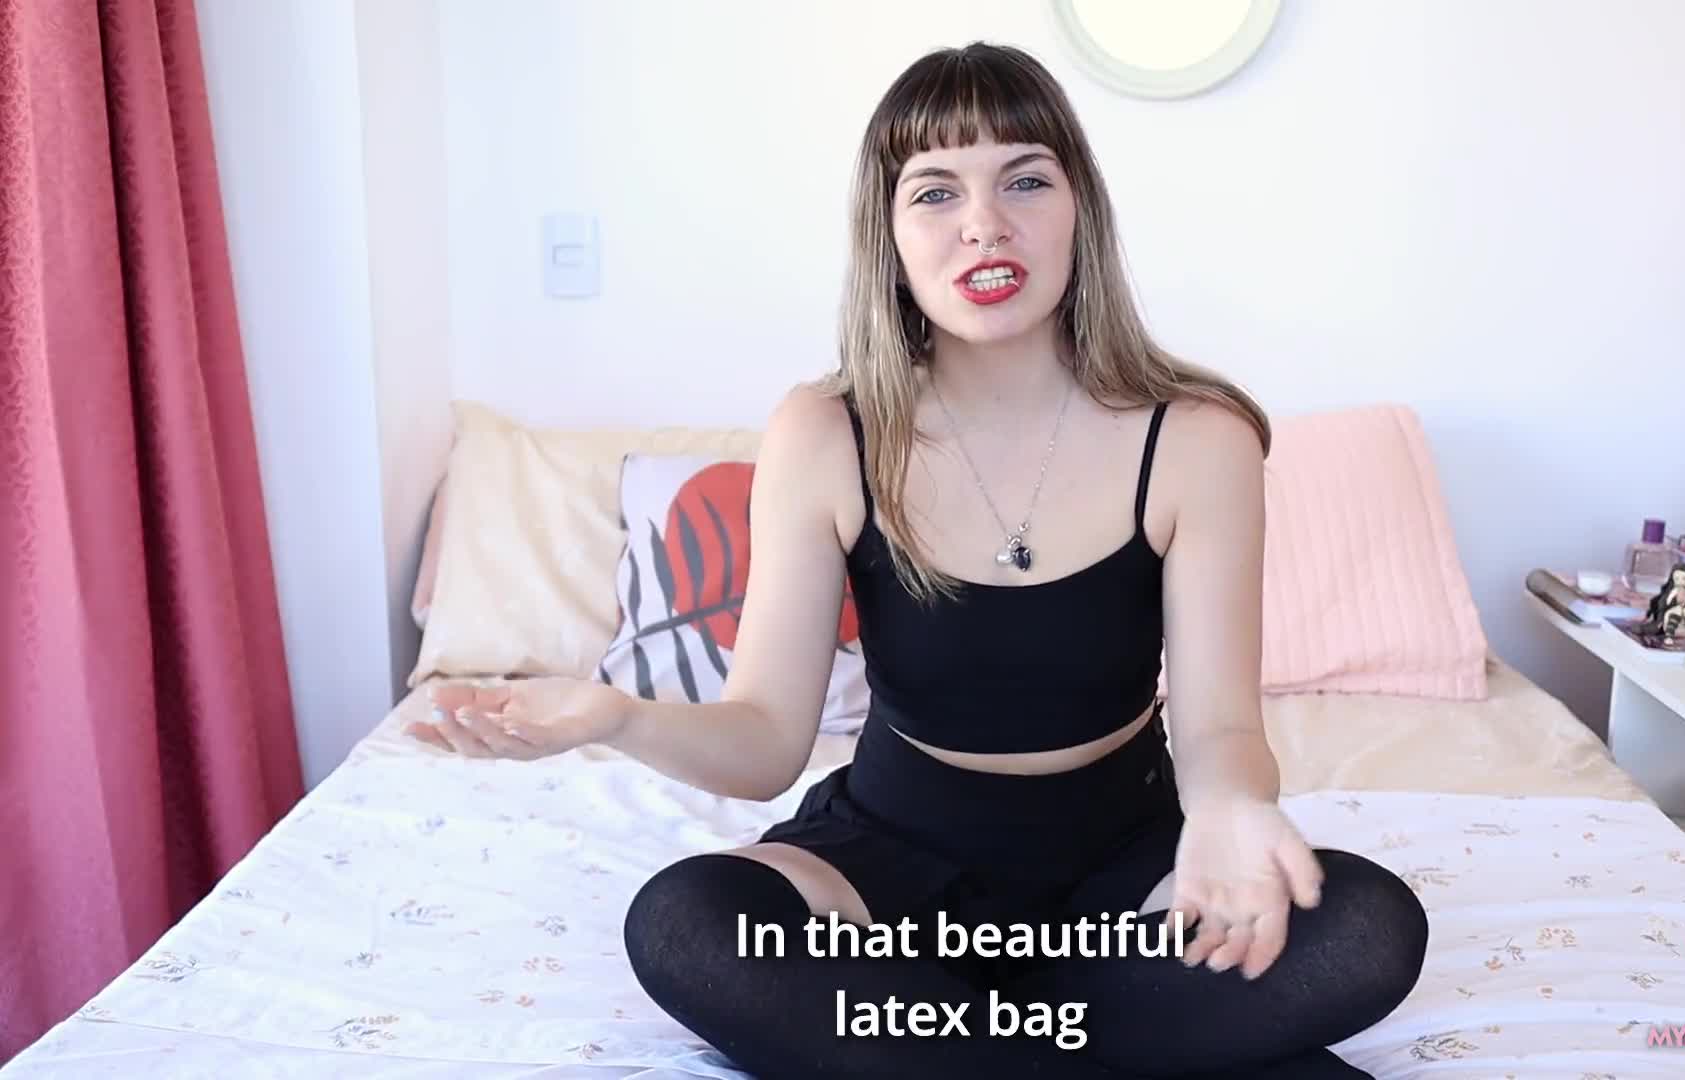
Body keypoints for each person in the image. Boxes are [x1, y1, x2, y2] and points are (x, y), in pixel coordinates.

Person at [411, 41, 1428, 1079]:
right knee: (687, 921)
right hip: (888, 874)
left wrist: (1228, 811)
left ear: (1080, 209)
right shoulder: (826, 433)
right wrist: (614, 717)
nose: (984, 223)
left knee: (1368, 925)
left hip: (1128, 879)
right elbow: (764, 743)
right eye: (936, 192)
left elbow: (1219, 728)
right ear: (888, 237)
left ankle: (951, 1047)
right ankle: (1091, 1043)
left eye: (1025, 181)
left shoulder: (1198, 437)